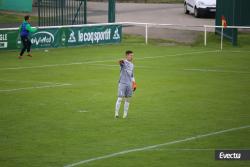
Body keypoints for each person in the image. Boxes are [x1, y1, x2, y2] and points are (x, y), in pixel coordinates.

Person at [115, 50, 137, 118]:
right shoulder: (124, 62)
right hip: (122, 83)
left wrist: (134, 83)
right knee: (120, 98)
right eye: (131, 55)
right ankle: (116, 113)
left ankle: (125, 114)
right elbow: (119, 62)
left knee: (128, 99)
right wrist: (121, 60)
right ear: (127, 56)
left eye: (132, 55)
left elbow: (132, 75)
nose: (132, 57)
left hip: (129, 84)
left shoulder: (132, 65)